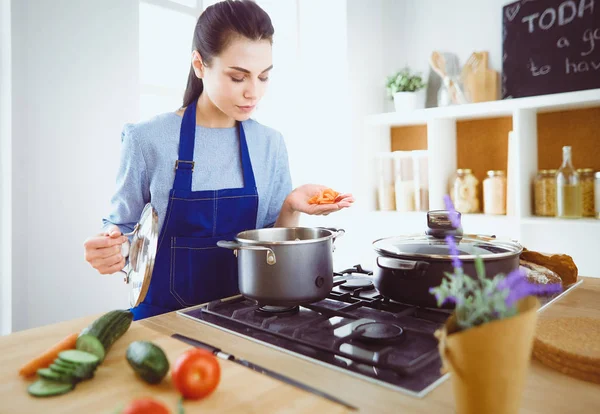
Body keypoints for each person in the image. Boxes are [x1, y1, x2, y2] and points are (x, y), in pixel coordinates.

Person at [83, 0, 354, 320]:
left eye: (263, 77)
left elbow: (272, 255)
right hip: (163, 323)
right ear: (199, 65)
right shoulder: (147, 139)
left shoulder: (270, 144)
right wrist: (115, 249)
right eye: (238, 77)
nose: (253, 92)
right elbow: (124, 231)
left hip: (250, 321)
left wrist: (290, 207)